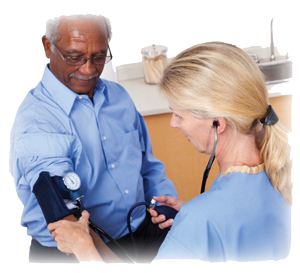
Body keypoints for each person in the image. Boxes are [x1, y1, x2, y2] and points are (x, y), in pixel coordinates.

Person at [48, 41, 292, 263]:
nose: (174, 124)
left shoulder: (201, 220)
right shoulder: (280, 171)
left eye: (179, 115)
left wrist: (83, 248)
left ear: (217, 123)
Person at [9, 14, 177, 264]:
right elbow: (66, 216)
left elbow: (148, 166)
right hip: (74, 252)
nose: (88, 69)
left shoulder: (118, 97)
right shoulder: (37, 122)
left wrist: (166, 211)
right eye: (75, 57)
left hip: (143, 232)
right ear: (47, 46)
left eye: (98, 57)